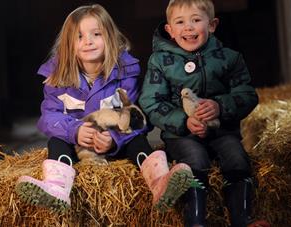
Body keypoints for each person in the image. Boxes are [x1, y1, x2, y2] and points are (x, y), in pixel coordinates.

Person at [15, 4, 195, 213]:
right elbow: (49, 116)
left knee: (138, 141)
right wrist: (74, 131)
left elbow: (136, 116)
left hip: (115, 145)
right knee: (56, 142)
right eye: (79, 36)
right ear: (68, 44)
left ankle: (160, 182)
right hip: (78, 146)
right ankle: (57, 190)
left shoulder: (125, 73)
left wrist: (114, 138)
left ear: (109, 37)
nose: (88, 41)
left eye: (96, 34)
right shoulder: (57, 77)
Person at [139, 0, 270, 226]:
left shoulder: (229, 58)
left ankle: (243, 218)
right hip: (182, 134)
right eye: (180, 22)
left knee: (237, 159)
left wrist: (220, 106)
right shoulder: (159, 62)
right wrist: (183, 121)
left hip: (222, 130)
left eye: (196, 20)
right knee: (195, 161)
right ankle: (195, 221)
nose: (188, 28)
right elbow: (151, 102)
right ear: (170, 30)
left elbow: (247, 94)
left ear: (212, 25)